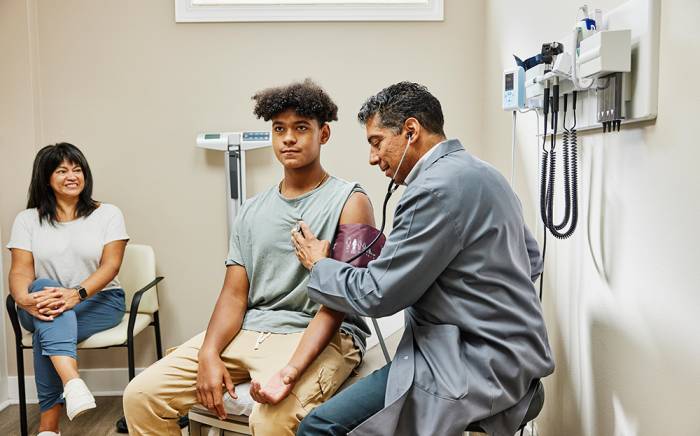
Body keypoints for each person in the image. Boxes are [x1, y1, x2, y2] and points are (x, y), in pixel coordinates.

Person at [292, 82, 555, 436]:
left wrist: (320, 265)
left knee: (318, 426)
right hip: (518, 360)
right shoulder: (486, 174)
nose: (373, 158)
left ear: (411, 130)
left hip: (471, 365)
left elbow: (378, 295)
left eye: (376, 141)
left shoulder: (429, 190)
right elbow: (532, 260)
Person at [122, 79, 375, 435]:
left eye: (301, 128)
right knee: (140, 395)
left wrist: (289, 372)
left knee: (272, 420)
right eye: (279, 129)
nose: (288, 138)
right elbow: (234, 294)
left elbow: (342, 300)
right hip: (253, 329)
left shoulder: (351, 201)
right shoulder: (252, 210)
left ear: (324, 134)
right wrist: (209, 353)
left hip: (322, 333)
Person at [7, 142, 129, 436]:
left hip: (99, 301)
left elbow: (110, 267)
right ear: (45, 178)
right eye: (62, 170)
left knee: (45, 332)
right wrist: (23, 299)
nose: (72, 176)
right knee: (46, 291)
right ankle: (73, 382)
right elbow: (21, 269)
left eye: (77, 169)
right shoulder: (27, 220)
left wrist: (76, 294)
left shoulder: (108, 214)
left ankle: (48, 428)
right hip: (38, 303)